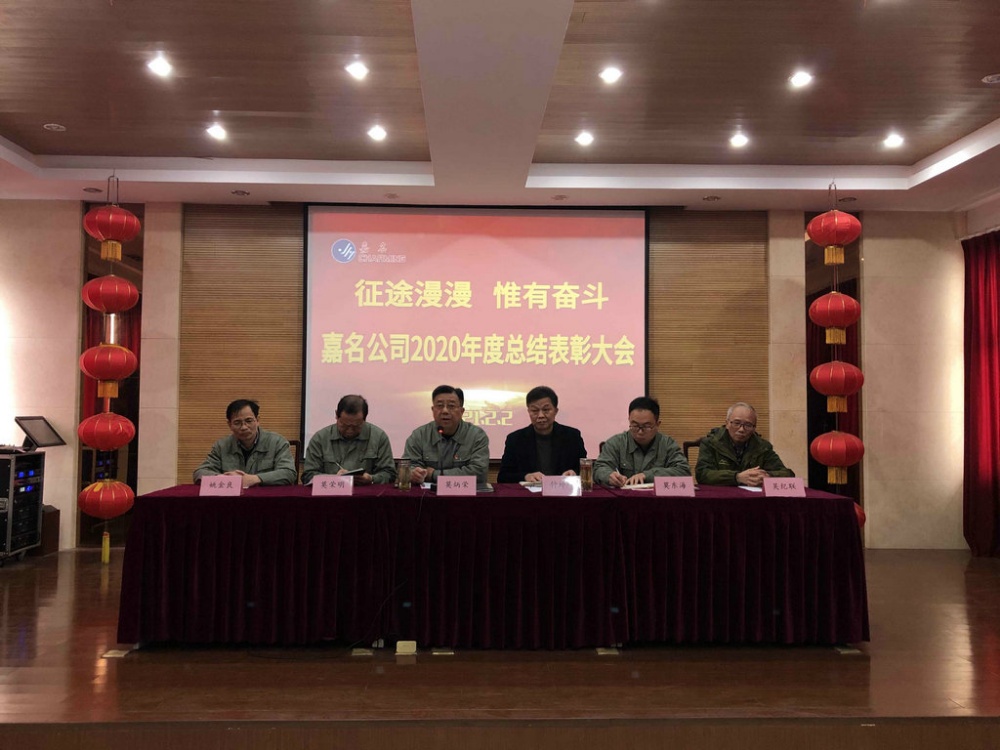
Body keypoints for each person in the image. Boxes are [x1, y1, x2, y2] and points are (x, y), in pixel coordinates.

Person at [193, 399, 296, 487]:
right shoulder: (221, 446)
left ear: (257, 420)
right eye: (237, 423)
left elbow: (289, 473)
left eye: (249, 421)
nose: (244, 427)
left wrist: (255, 479)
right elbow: (199, 473)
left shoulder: (277, 442)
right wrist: (223, 478)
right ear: (229, 424)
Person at [402, 384, 490, 486]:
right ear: (433, 410)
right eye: (439, 406)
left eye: (451, 406)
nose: (445, 411)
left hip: (465, 494)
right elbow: (407, 468)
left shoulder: (476, 436)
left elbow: (479, 473)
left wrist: (434, 475)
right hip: (427, 494)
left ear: (461, 411)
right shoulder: (419, 435)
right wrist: (414, 473)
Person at [497, 385, 587, 483]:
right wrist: (526, 476)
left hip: (563, 490)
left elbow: (585, 470)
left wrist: (574, 473)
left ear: (556, 411)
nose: (540, 416)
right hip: (529, 492)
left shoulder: (572, 436)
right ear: (529, 412)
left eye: (546, 410)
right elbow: (503, 477)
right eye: (535, 411)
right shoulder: (515, 439)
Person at [594, 396, 690, 487]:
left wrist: (647, 475)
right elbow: (599, 468)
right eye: (635, 425)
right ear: (629, 420)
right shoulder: (616, 443)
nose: (640, 432)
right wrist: (609, 476)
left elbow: (683, 471)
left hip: (658, 497)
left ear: (657, 424)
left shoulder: (668, 444)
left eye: (646, 426)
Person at [301, 394, 395, 485]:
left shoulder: (379, 437)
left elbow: (389, 474)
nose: (350, 430)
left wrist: (371, 479)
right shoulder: (320, 439)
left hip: (368, 493)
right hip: (331, 493)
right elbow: (308, 476)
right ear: (336, 415)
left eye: (356, 426)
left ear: (364, 419)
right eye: (344, 425)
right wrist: (333, 479)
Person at [695, 402, 794, 487]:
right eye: (736, 423)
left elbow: (787, 474)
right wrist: (737, 477)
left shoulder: (763, 447)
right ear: (727, 424)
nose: (741, 429)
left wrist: (767, 476)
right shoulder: (711, 443)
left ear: (754, 428)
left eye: (748, 425)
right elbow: (702, 474)